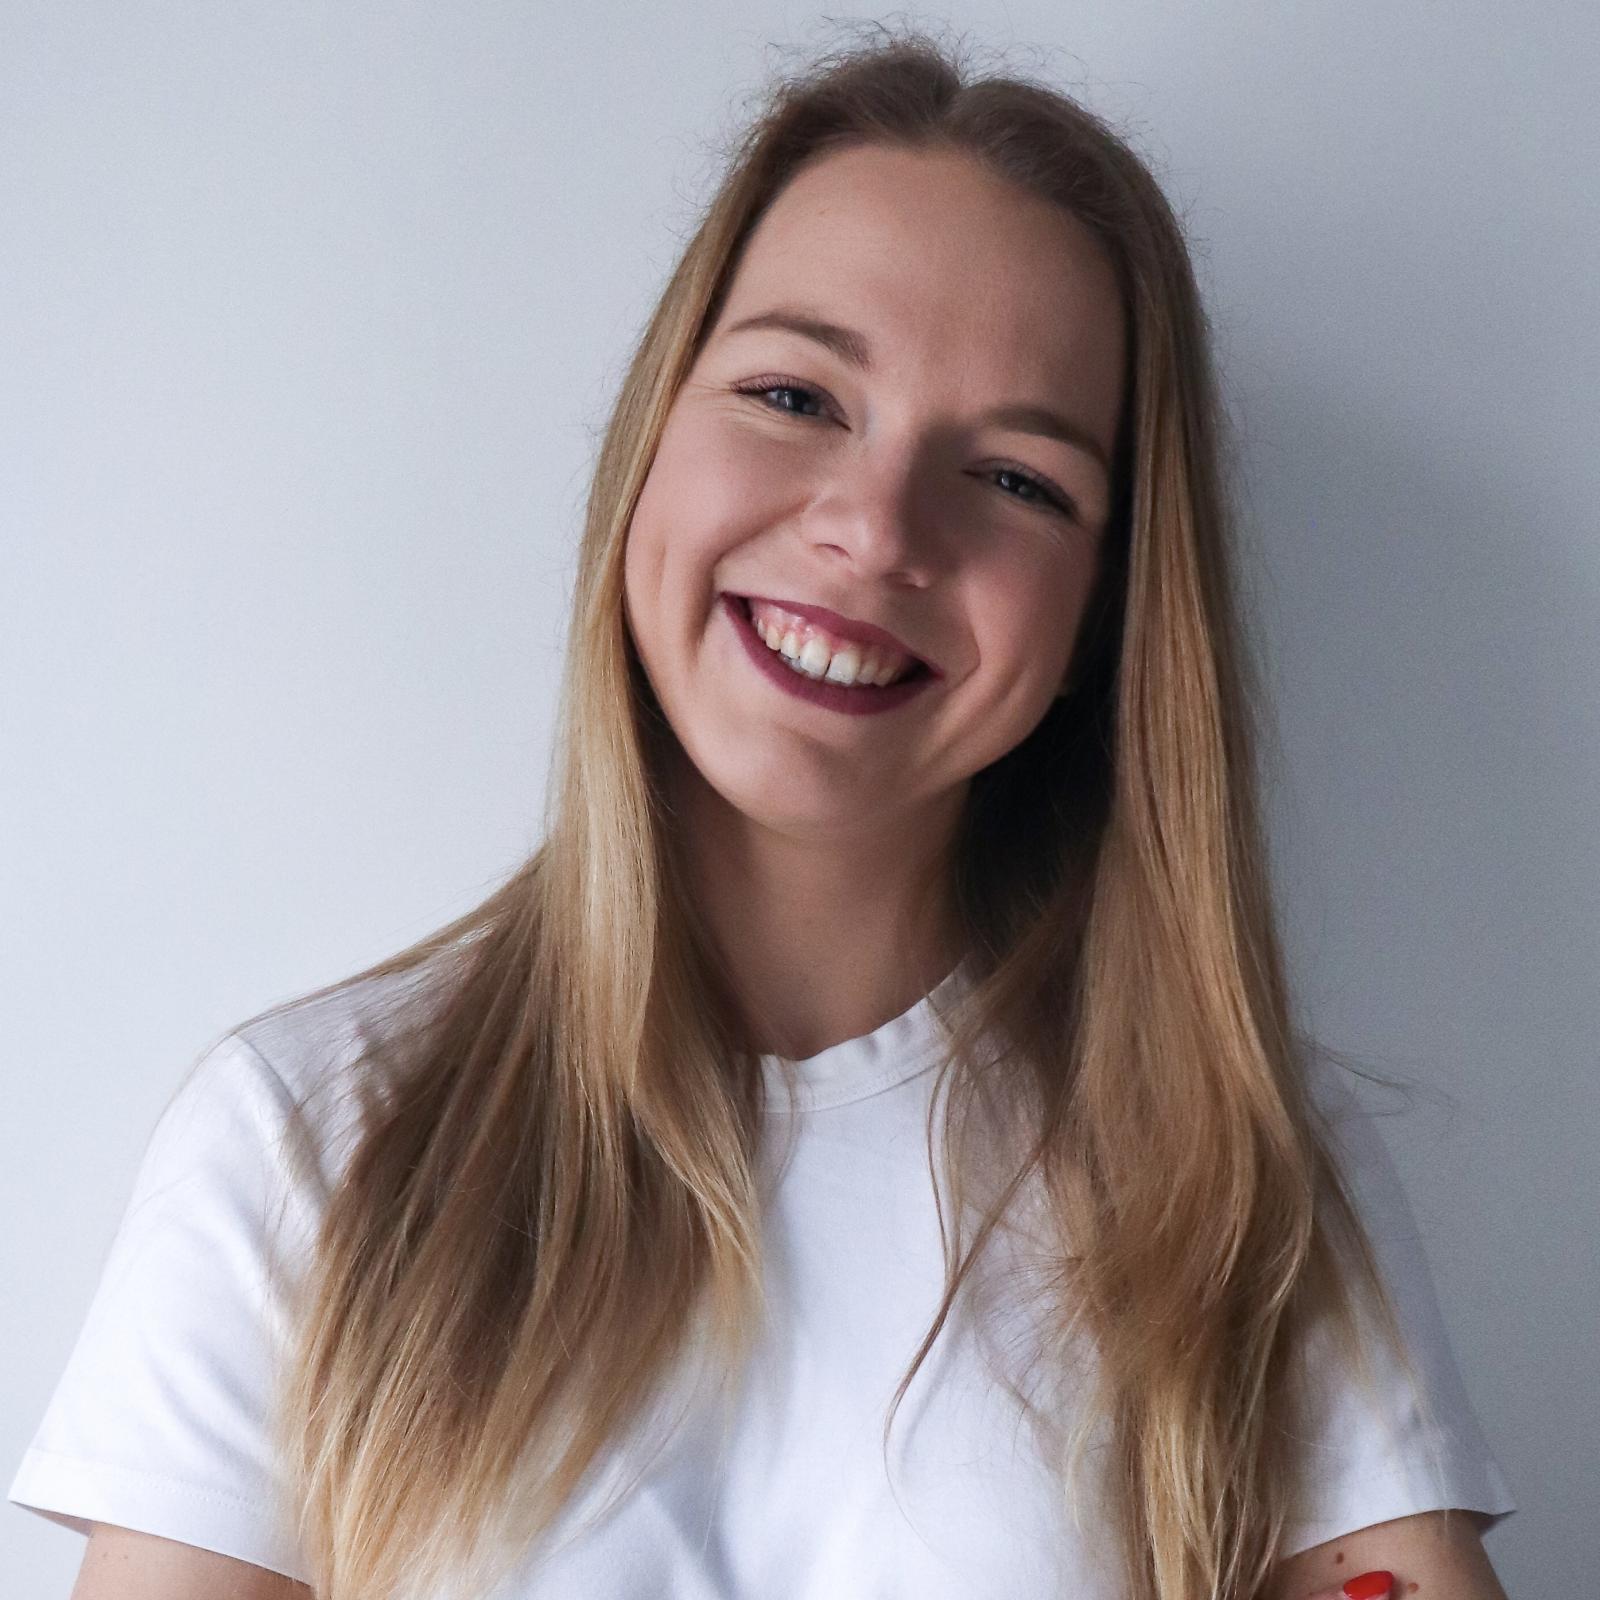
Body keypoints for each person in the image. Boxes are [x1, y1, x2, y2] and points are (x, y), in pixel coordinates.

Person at [8, 28, 1515, 1600]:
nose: (875, 530)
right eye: (796, 394)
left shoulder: (1239, 1170)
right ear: (650, 443)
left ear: (1103, 616)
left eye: (1017, 480)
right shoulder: (306, 1138)